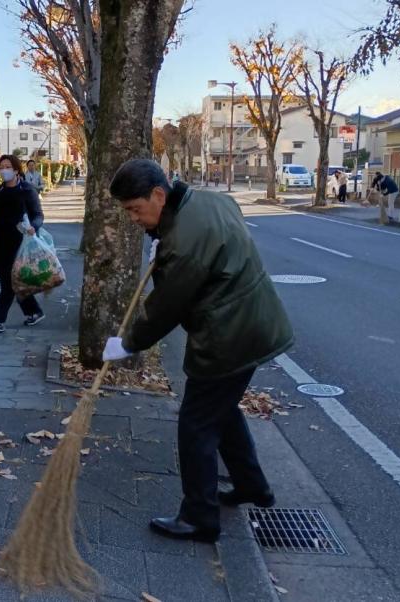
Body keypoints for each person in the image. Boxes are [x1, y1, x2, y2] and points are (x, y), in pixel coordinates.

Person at [102, 159, 294, 544]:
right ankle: (252, 486)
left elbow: (167, 307)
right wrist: (163, 244)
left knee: (196, 425)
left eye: (135, 210)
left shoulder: (184, 243)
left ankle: (199, 518)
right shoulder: (209, 201)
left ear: (159, 194)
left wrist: (128, 343)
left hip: (230, 336)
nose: (134, 219)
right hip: (256, 321)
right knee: (219, 412)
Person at [0, 154, 46, 334]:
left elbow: (38, 214)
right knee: (12, 281)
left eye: (7, 167)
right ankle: (34, 311)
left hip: (21, 243)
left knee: (8, 284)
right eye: (1, 167)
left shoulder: (27, 190)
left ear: (16, 170)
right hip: (0, 244)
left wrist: (34, 227)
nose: (4, 170)